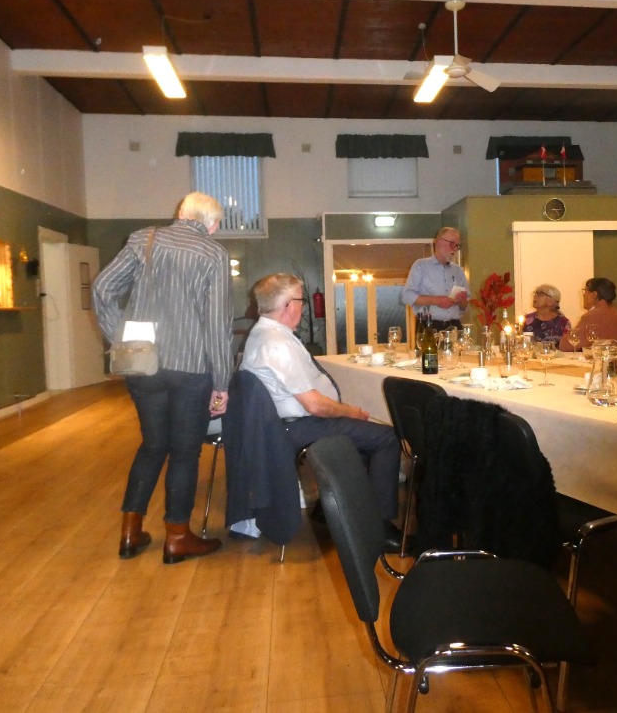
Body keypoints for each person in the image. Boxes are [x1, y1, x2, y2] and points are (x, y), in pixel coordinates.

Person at [93, 191, 232, 564]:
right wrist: (222, 382)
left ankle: (130, 532)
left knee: (153, 446)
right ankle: (178, 538)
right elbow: (218, 326)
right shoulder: (214, 254)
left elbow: (102, 289)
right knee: (185, 452)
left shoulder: (144, 239)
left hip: (141, 360)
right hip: (191, 368)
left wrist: (121, 338)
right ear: (212, 224)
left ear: (180, 213)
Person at [241, 273, 404, 551]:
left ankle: (331, 509)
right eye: (301, 301)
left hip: (283, 425)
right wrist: (349, 411)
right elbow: (315, 405)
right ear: (288, 305)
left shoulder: (262, 333)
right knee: (387, 439)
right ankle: (377, 529)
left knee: (364, 436)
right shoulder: (277, 343)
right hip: (297, 426)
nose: (303, 307)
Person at [402, 226, 470, 331]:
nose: (454, 249)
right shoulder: (421, 265)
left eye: (457, 246)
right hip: (429, 326)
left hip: (455, 326)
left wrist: (462, 300)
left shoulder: (458, 271)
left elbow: (465, 306)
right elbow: (407, 296)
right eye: (452, 244)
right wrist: (436, 300)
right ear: (438, 242)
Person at [559, 277, 617, 351]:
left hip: (603, 361)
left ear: (594, 295)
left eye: (585, 291)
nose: (583, 295)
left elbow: (565, 345)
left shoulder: (592, 316)